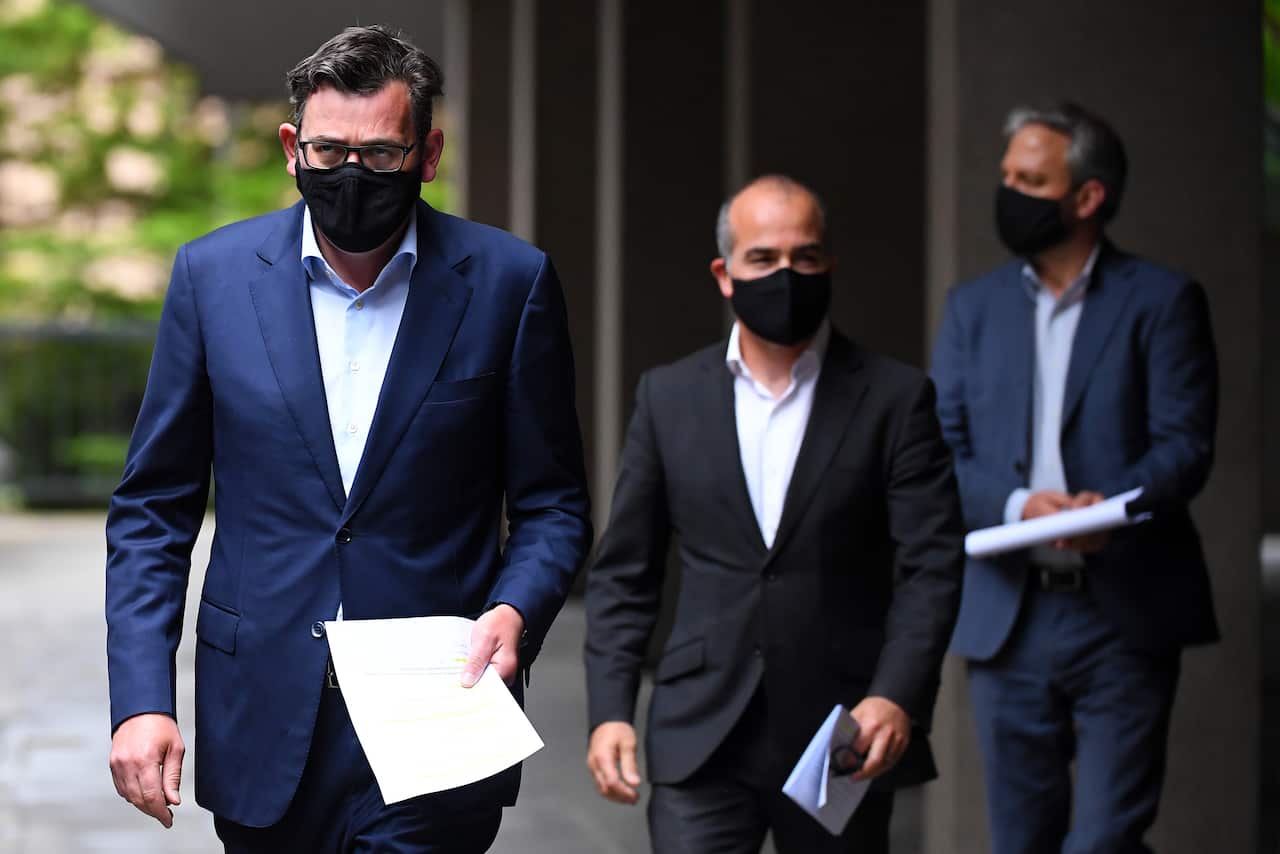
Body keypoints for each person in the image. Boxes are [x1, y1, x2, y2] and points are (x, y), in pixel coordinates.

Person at [105, 25, 591, 853]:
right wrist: (143, 698)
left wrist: (518, 607)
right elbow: (154, 509)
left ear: (428, 153)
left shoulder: (511, 283)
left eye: (382, 154)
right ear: (292, 147)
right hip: (261, 704)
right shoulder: (211, 278)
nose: (353, 175)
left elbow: (553, 503)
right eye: (330, 153)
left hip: (438, 710)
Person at [583, 175, 965, 854]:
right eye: (763, 259)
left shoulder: (895, 399)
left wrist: (897, 694)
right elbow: (625, 571)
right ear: (725, 274)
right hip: (700, 730)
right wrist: (610, 711)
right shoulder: (668, 398)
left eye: (805, 258)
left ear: (829, 267)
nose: (785, 275)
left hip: (841, 735)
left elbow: (931, 566)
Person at [930, 102, 1219, 854]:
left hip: (1124, 611)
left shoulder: (1161, 301)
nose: (1010, 193)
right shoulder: (972, 309)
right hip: (1009, 614)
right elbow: (937, 453)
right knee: (1021, 840)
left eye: (1031, 179)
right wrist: (1020, 504)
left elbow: (1185, 445)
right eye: (1007, 177)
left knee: (1104, 840)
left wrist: (1115, 508)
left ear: (1087, 198)